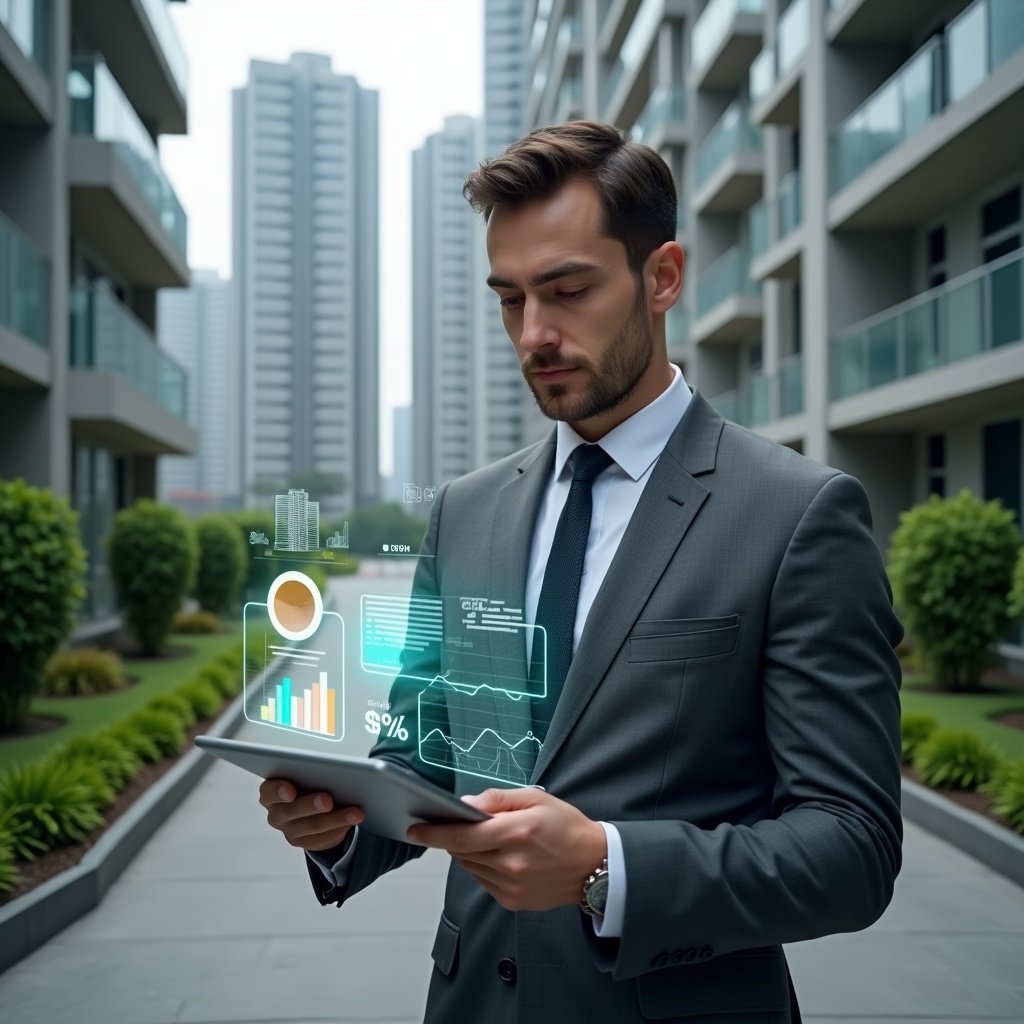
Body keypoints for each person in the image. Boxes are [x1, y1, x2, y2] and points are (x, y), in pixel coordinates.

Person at [259, 121, 903, 1024]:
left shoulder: (799, 514)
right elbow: (426, 755)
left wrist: (609, 866)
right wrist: (342, 824)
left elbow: (853, 847)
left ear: (663, 277)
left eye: (567, 291)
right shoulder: (464, 512)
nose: (535, 334)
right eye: (510, 299)